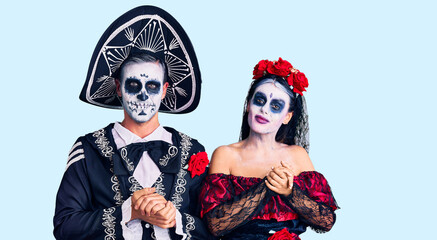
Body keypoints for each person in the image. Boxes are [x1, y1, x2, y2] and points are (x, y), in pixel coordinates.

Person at [54, 6, 212, 240]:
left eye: (152, 87)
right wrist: (128, 211)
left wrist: (176, 219)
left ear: (164, 91)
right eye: (133, 85)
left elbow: (214, 229)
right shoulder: (87, 150)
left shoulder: (193, 151)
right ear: (119, 87)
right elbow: (65, 227)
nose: (143, 96)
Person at [200, 58, 339, 239]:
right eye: (259, 100)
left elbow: (326, 220)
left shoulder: (297, 155)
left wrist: (290, 192)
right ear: (248, 105)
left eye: (275, 106)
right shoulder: (225, 154)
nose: (265, 110)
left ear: (287, 117)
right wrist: (267, 186)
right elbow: (215, 225)